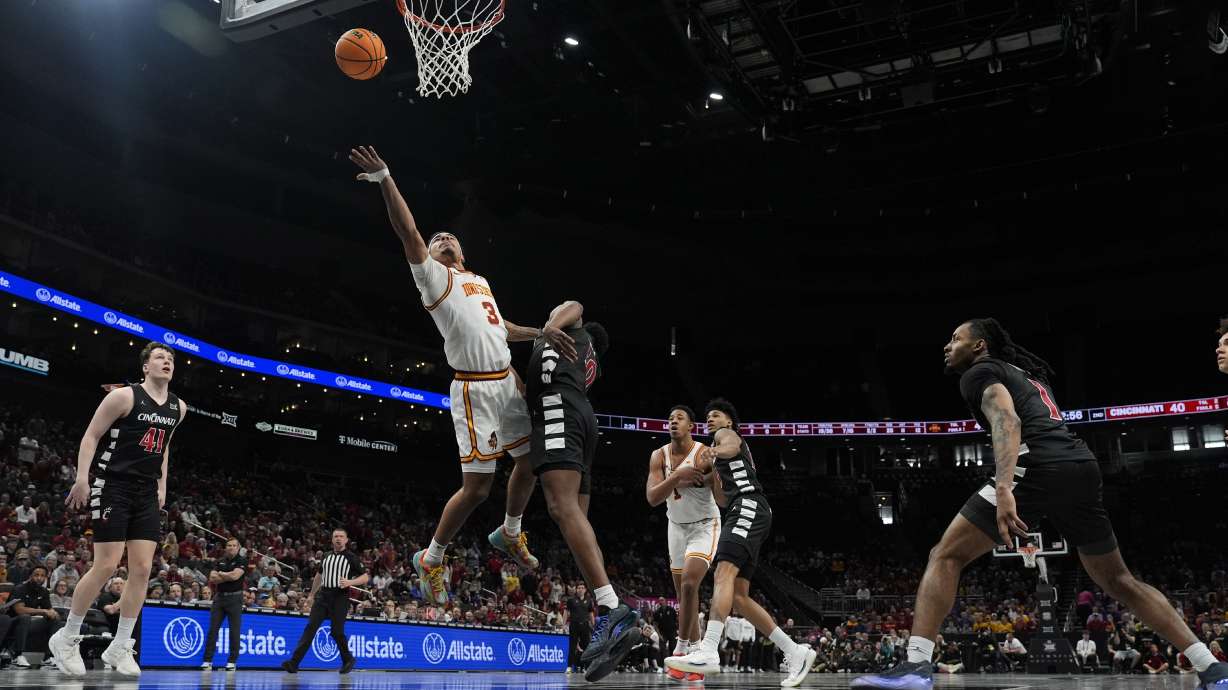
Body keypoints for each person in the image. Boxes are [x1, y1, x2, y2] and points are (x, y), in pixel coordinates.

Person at [853, 318, 1228, 688]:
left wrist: (1003, 489)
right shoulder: (1028, 374)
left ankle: (915, 667)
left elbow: (1007, 420)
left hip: (1036, 464)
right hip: (1080, 465)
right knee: (1119, 579)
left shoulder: (979, 372)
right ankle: (1212, 668)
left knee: (944, 555)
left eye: (956, 338)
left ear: (980, 345)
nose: (947, 346)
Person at [349, 146, 544, 604]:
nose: (442, 238)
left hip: (505, 380)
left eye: (448, 236)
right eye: (437, 239)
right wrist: (385, 178)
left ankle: (510, 532)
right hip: (474, 390)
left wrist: (541, 333)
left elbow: (501, 327)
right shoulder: (433, 278)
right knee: (477, 488)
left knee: (532, 458)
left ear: (462, 249)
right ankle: (432, 557)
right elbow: (408, 229)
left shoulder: (480, 281)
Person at [50, 341, 187, 678]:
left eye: (170, 358)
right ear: (145, 366)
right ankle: (66, 638)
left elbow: (164, 448)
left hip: (145, 492)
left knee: (141, 569)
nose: (166, 361)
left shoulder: (179, 408)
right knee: (106, 566)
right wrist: (82, 477)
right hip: (113, 485)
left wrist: (163, 485)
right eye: (159, 357)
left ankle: (121, 645)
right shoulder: (123, 397)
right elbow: (91, 435)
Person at [523, 300, 639, 682]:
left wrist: (549, 324)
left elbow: (575, 304)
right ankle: (611, 621)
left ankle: (611, 606)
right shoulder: (584, 359)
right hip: (578, 417)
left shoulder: (565, 326)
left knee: (560, 507)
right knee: (578, 527)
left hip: (560, 411)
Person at [666, 399, 817, 688]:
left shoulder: (726, 437)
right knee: (738, 596)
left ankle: (708, 651)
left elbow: (730, 447)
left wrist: (712, 451)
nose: (710, 419)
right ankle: (794, 651)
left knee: (723, 572)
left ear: (728, 422)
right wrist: (703, 480)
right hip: (746, 507)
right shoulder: (722, 462)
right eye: (708, 416)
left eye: (716, 415)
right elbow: (722, 499)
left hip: (748, 506)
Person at [645, 405, 718, 682]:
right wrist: (676, 477)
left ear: (691, 427)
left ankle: (681, 648)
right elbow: (652, 497)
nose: (673, 422)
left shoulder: (703, 452)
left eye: (680, 419)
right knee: (685, 595)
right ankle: (695, 660)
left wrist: (706, 476)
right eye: (670, 419)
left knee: (689, 584)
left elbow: (713, 477)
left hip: (704, 524)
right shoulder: (658, 455)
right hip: (675, 527)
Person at [282, 528, 368, 674]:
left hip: (340, 596)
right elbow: (319, 576)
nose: (338, 539)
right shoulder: (326, 555)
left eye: (341, 536)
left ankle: (348, 659)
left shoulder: (351, 557)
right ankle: (294, 663)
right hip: (323, 596)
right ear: (332, 539)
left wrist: (349, 582)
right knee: (310, 628)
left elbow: (365, 577)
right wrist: (311, 595)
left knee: (336, 632)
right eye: (335, 536)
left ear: (346, 540)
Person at [202, 537, 247, 671]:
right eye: (228, 545)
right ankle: (207, 660)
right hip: (219, 598)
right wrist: (227, 575)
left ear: (238, 548)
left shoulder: (242, 560)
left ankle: (232, 661)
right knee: (212, 630)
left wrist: (222, 574)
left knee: (234, 631)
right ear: (226, 547)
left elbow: (235, 576)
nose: (231, 547)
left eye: (233, 545)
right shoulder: (219, 561)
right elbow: (212, 579)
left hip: (235, 599)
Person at [10, 564, 63, 668]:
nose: (39, 578)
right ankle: (17, 656)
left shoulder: (44, 592)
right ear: (30, 576)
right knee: (24, 617)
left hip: (30, 624)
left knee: (56, 621)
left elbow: (48, 608)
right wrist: (43, 611)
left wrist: (53, 613)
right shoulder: (20, 588)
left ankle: (49, 657)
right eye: (36, 575)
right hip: (13, 622)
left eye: (42, 576)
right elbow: (19, 610)